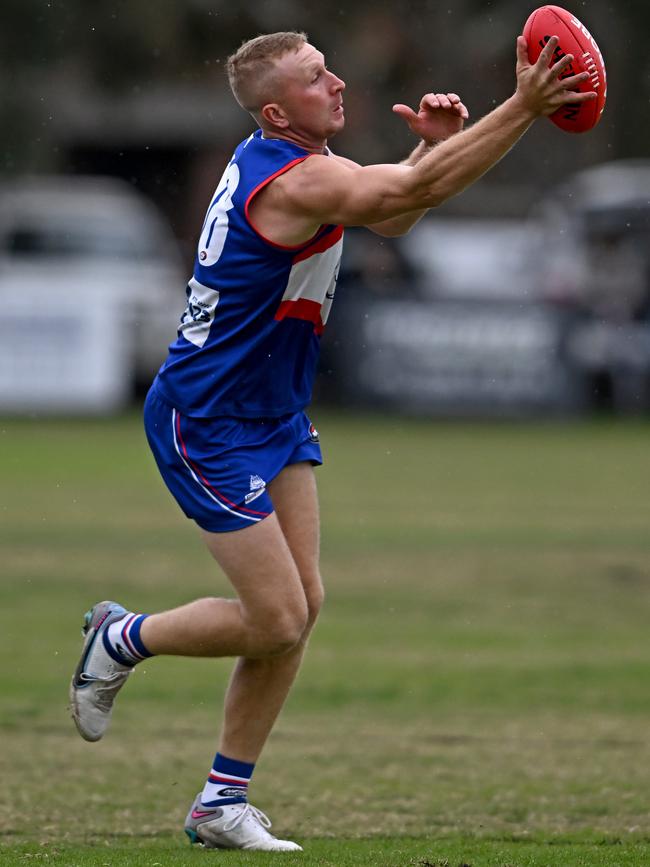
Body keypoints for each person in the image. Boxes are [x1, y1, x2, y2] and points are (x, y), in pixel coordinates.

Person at [69, 30, 595, 852]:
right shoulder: (296, 174)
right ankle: (121, 636)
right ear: (277, 110)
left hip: (270, 408)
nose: (338, 83)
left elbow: (399, 214)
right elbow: (389, 202)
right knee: (275, 617)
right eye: (317, 79)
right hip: (206, 418)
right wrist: (524, 106)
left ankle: (220, 801)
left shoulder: (293, 161)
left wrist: (437, 154)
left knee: (301, 609)